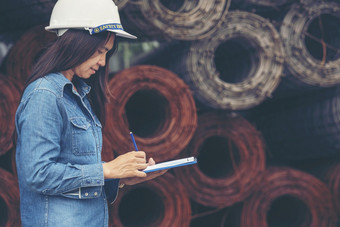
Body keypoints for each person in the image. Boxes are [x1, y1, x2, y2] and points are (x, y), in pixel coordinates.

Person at [14, 0, 166, 226]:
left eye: (107, 53)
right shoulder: (45, 94)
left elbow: (74, 175)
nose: (103, 62)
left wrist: (120, 178)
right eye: (99, 51)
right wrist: (108, 168)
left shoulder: (78, 95)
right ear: (76, 42)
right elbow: (38, 174)